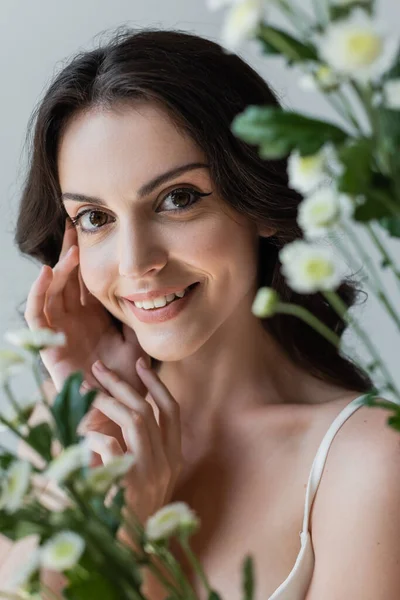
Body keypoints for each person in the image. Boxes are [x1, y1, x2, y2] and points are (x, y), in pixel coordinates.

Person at [3, 26, 400, 599]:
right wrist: (108, 512)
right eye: (95, 218)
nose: (136, 263)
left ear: (260, 202)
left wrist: (129, 539)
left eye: (178, 199)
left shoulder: (367, 461)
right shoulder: (61, 428)